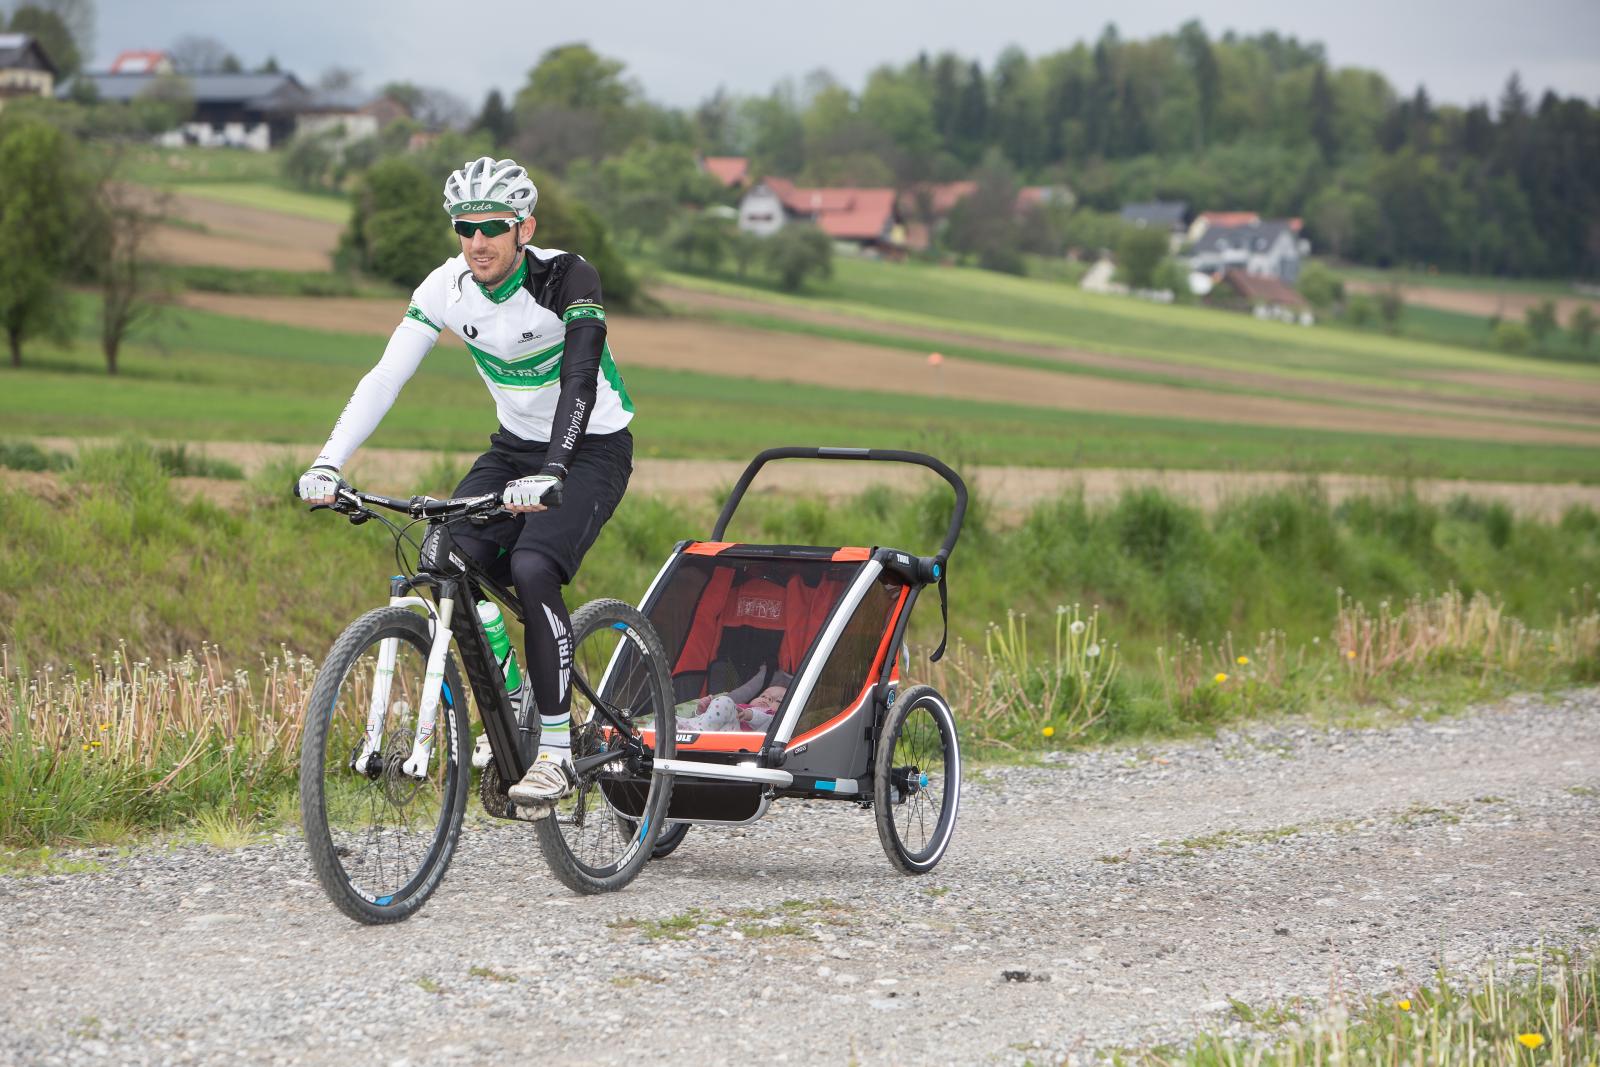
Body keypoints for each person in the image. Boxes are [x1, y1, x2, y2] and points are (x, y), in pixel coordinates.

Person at [297, 156, 635, 813]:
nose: (477, 241)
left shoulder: (568, 277)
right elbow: (385, 377)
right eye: (464, 227)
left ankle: (556, 753)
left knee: (533, 565)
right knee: (441, 555)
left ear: (523, 228)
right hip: (513, 448)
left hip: (591, 447)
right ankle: (513, 689)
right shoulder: (446, 287)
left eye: (492, 227)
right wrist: (328, 462)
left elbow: (579, 380)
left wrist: (554, 471)